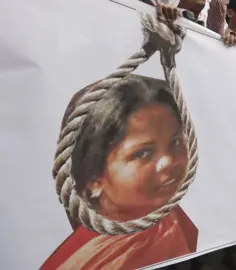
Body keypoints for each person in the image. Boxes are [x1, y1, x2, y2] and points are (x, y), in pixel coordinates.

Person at [42, 75, 198, 270]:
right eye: (142, 153)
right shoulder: (86, 263)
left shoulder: (170, 222)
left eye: (175, 142)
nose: (168, 161)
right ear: (93, 179)